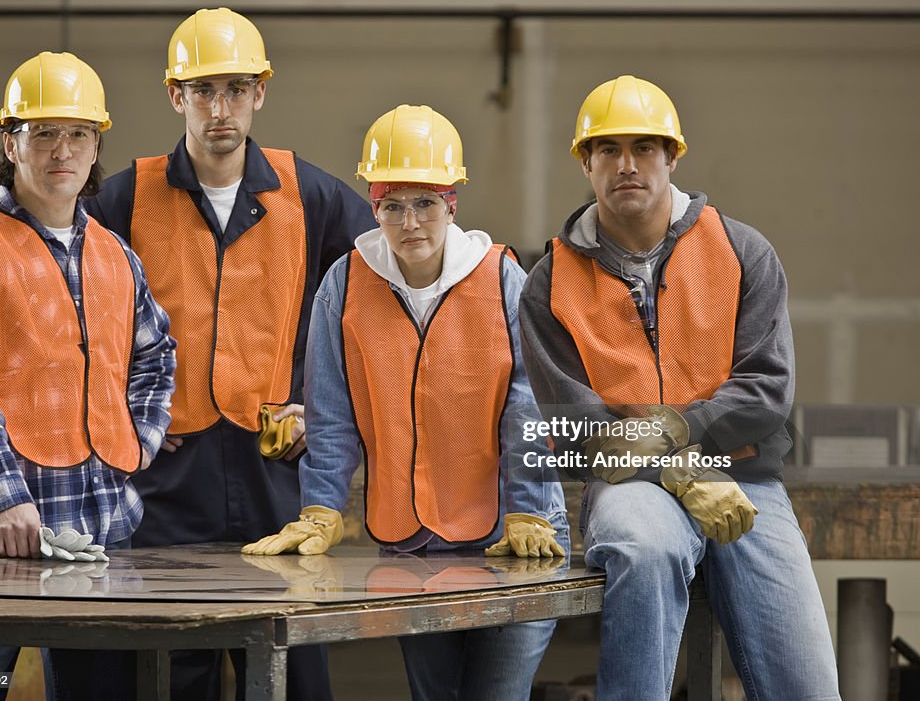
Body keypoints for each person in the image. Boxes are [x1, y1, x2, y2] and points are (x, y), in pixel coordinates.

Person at [519, 75, 840, 700]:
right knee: (642, 552)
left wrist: (676, 431)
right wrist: (683, 471)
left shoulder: (742, 251)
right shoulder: (548, 283)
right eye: (608, 150)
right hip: (628, 486)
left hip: (745, 480)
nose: (627, 165)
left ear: (673, 156)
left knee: (808, 687)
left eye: (645, 147)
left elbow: (766, 391)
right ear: (585, 161)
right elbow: (575, 429)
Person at [86, 7, 374, 700]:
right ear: (174, 95)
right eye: (205, 91)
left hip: (277, 471)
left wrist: (323, 402)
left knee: (291, 669)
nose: (221, 108)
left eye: (237, 90)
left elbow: (372, 309)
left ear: (261, 93)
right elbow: (80, 320)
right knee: (169, 668)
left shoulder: (312, 195)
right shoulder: (124, 197)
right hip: (166, 477)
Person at [243, 105, 570, 701]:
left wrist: (530, 512)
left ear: (453, 203)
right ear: (373, 206)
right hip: (411, 544)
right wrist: (321, 509)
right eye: (392, 204)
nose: (409, 221)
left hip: (516, 536)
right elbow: (332, 412)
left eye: (425, 202)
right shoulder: (344, 284)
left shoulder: (503, 281)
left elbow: (529, 409)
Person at [0, 51, 176, 700]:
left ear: (95, 146)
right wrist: (6, 496)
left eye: (79, 133)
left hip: (103, 532)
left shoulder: (115, 254)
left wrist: (136, 441)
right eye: (44, 133)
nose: (63, 148)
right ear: (11, 141)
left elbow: (158, 354)